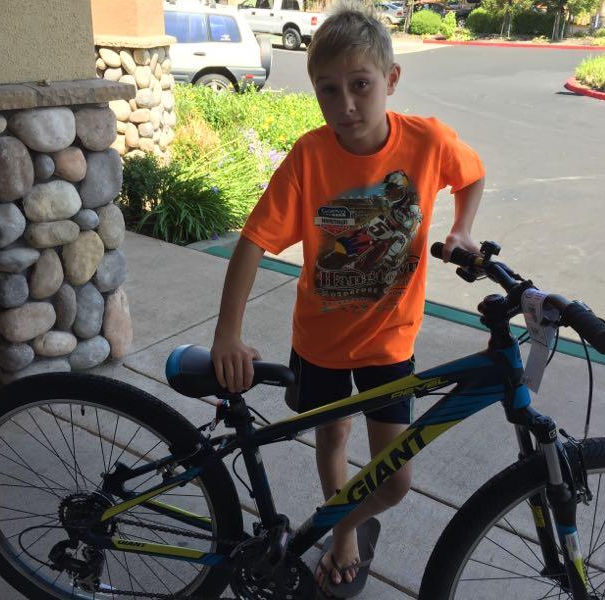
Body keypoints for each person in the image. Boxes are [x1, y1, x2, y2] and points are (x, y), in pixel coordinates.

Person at [210, 1, 485, 596]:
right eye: (328, 91)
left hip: (390, 342)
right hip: (322, 341)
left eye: (360, 85)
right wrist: (227, 333)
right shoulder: (310, 157)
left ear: (391, 79)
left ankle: (344, 521)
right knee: (332, 438)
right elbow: (253, 241)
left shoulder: (428, 141)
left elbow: (471, 174)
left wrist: (462, 229)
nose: (346, 105)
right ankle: (341, 535)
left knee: (395, 479)